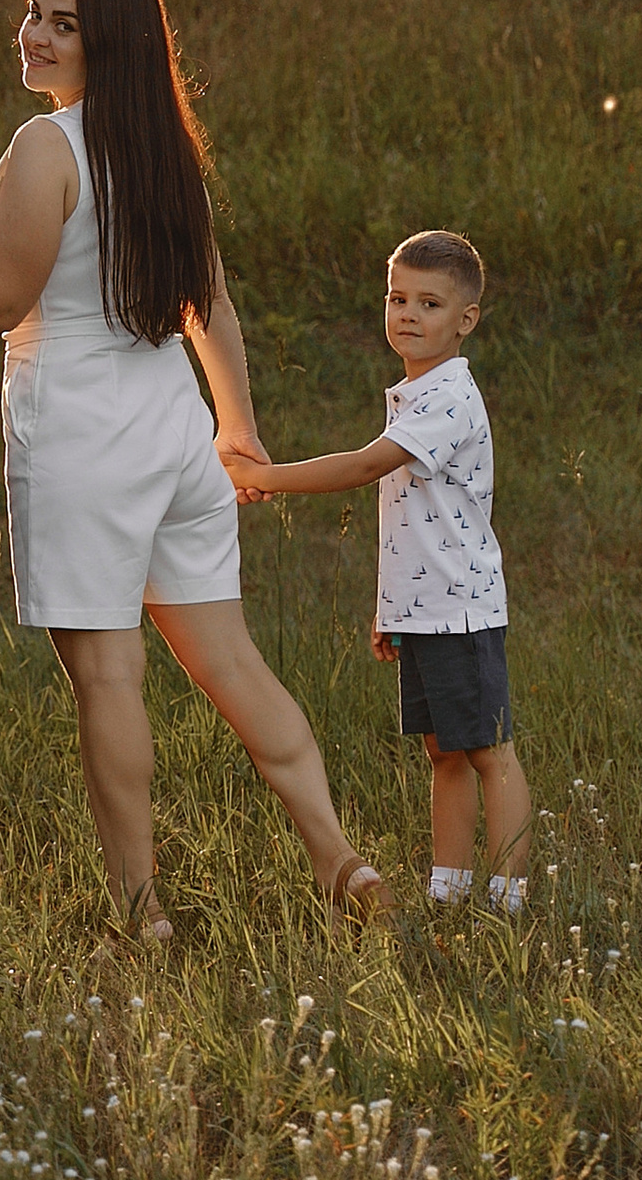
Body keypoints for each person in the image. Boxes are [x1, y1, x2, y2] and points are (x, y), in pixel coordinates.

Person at [0, 0, 387, 939]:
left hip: (81, 434)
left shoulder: (49, 146)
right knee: (232, 663)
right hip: (173, 427)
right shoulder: (164, 153)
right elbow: (211, 303)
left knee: (109, 679)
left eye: (62, 24)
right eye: (33, 12)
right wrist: (237, 431)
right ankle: (339, 858)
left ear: (108, 43)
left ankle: (141, 910)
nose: (33, 34)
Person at [226, 232, 533, 912]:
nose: (408, 314)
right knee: (443, 752)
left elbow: (367, 466)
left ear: (466, 319)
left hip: (461, 609)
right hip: (425, 608)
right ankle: (448, 889)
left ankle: (509, 896)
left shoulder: (449, 397)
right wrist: (392, 609)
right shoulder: (417, 393)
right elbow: (412, 523)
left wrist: (265, 477)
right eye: (397, 299)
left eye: (429, 303)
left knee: (489, 752)